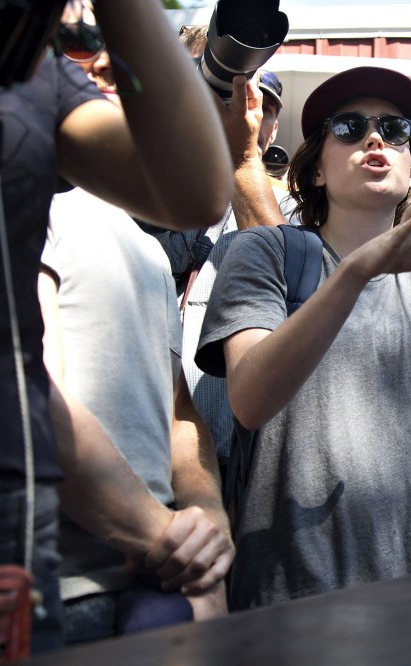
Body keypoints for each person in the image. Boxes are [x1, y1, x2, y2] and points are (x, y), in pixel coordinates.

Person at [194, 65, 411, 609]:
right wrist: (357, 273)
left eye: (394, 129)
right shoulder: (266, 254)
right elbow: (248, 400)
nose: (375, 137)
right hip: (281, 606)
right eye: (349, 127)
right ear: (315, 172)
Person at [0, 0, 232, 652]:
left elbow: (179, 413)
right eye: (79, 38)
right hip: (71, 588)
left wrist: (206, 520)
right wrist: (162, 537)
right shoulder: (34, 191)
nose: (101, 54)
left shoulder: (143, 244)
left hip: (147, 589)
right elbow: (32, 387)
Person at [149, 26, 290, 477]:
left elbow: (296, 283)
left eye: (262, 103)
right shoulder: (124, 183)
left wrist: (239, 163)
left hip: (234, 468)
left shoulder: (295, 204)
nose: (242, 107)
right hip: (130, 454)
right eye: (217, 87)